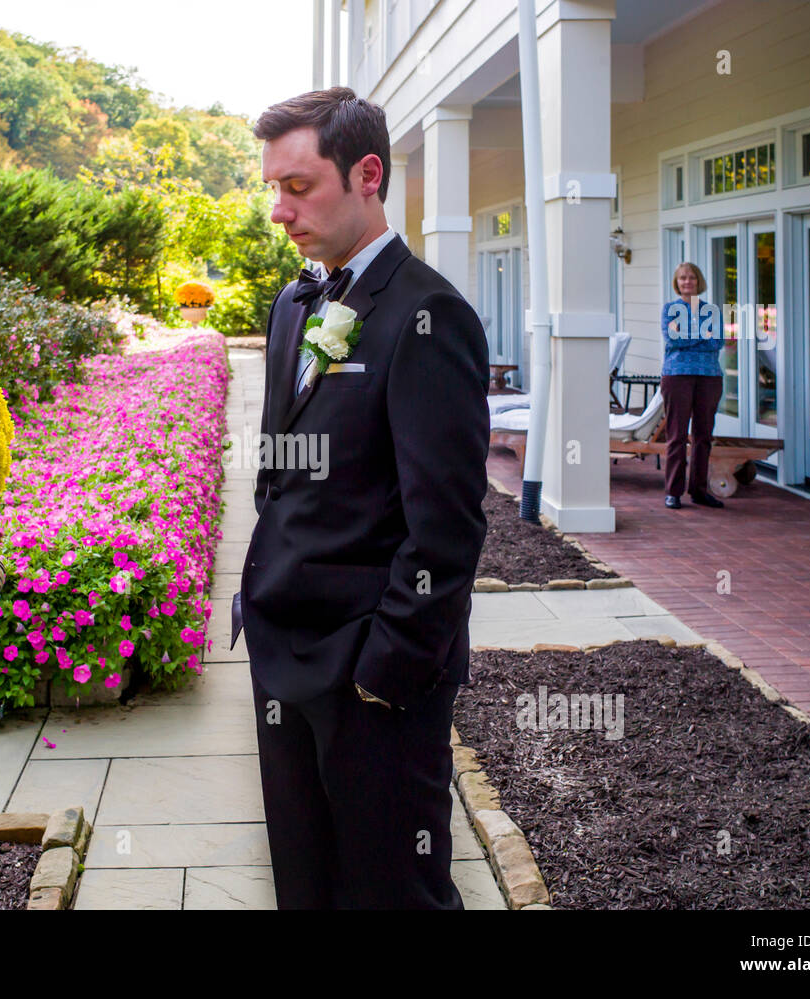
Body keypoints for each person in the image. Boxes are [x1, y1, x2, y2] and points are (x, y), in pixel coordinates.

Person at [229, 87, 490, 909]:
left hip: (371, 679)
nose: (279, 210)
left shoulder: (429, 315)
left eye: (298, 187)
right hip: (283, 652)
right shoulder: (293, 302)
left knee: (391, 892)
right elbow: (280, 464)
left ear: (367, 174)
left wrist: (384, 673)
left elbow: (445, 528)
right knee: (306, 885)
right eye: (273, 187)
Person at [660, 261, 725, 509]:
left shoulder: (713, 311)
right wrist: (701, 333)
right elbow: (673, 338)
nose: (687, 282)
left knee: (703, 436)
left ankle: (698, 491)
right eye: (683, 278)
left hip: (709, 377)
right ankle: (673, 492)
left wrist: (688, 334)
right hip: (677, 376)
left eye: (692, 278)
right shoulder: (670, 309)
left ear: (699, 281)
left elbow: (716, 343)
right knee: (676, 436)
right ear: (677, 283)